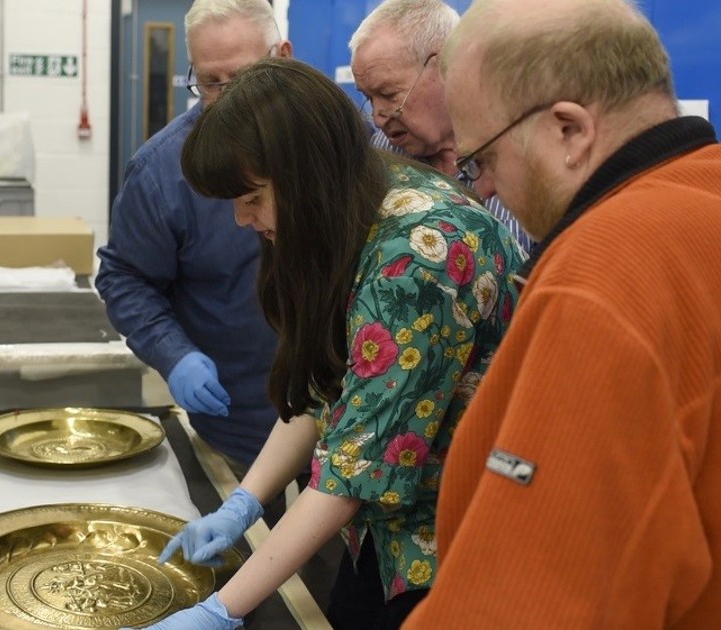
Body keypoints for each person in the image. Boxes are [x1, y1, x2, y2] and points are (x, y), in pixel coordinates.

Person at [133, 57, 523, 630]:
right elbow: (329, 389)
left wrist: (220, 610)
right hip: (386, 536)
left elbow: (353, 469)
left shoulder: (417, 259)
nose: (242, 220)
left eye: (253, 198)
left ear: (306, 174)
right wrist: (244, 503)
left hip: (455, 551)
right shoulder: (352, 205)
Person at [403, 0, 721, 627]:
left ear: (570, 130)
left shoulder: (605, 274)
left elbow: (523, 605)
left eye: (483, 159)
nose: (484, 189)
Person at [95, 0, 292, 471]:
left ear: (282, 57)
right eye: (210, 83)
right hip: (238, 429)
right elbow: (125, 277)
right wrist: (174, 354)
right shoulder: (162, 173)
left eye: (243, 80)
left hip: (349, 427)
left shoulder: (335, 141)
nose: (227, 99)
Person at [349, 0, 534, 254]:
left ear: (446, 62)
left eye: (388, 93)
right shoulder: (380, 157)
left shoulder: (527, 148)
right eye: (369, 98)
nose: (378, 117)